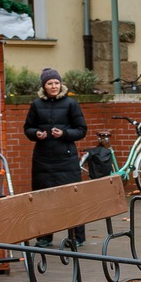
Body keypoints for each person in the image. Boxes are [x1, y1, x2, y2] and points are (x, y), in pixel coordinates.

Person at [22, 67, 87, 246]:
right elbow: (27, 128)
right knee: (43, 199)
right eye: (50, 83)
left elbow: (81, 130)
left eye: (57, 83)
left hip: (66, 159)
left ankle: (76, 238)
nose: (54, 86)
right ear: (44, 86)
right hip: (43, 160)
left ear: (61, 84)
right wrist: (37, 134)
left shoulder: (71, 104)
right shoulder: (36, 105)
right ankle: (44, 236)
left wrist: (64, 134)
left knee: (71, 198)